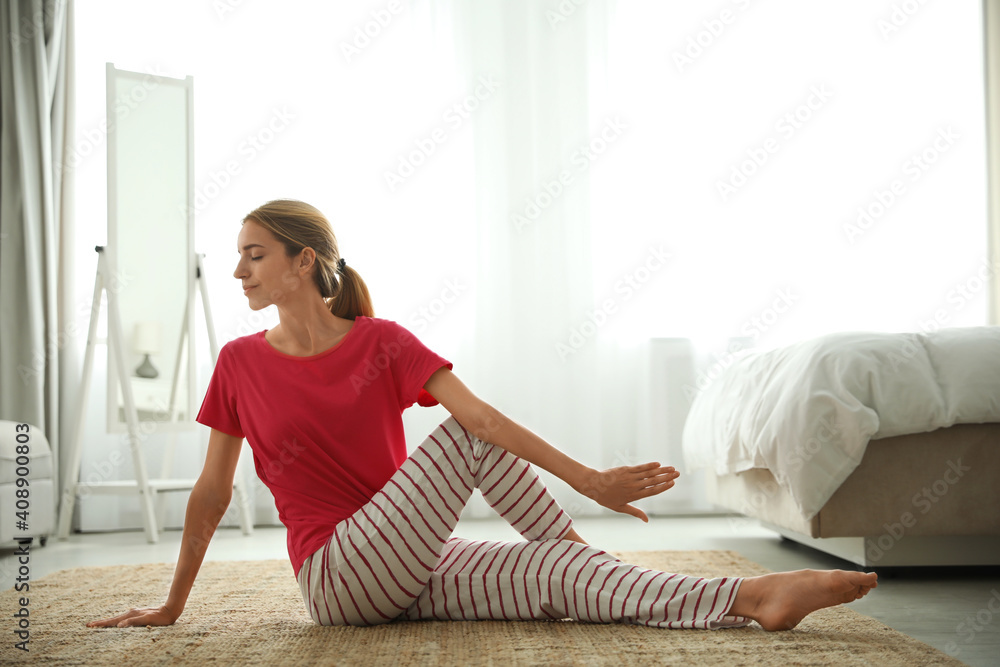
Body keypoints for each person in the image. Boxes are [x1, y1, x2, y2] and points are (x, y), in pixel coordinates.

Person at [88, 199, 876, 632]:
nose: (237, 269)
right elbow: (211, 493)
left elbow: (488, 421)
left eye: (254, 253)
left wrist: (588, 486)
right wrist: (173, 602)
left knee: (554, 574)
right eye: (238, 254)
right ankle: (577, 544)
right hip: (336, 579)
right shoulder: (239, 363)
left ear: (303, 262)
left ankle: (750, 599)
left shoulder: (383, 343)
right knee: (468, 438)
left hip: (410, 564)